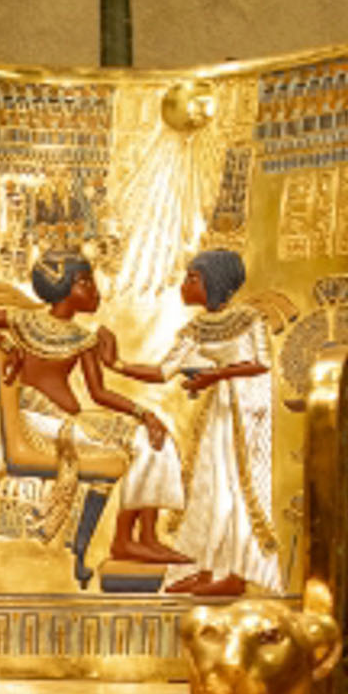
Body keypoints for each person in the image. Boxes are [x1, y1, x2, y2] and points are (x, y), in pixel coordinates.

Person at [0, 253, 190, 571]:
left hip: (67, 422)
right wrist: (6, 345)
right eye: (85, 281)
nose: (94, 289)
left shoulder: (82, 338)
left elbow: (99, 394)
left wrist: (143, 413)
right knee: (148, 443)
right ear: (62, 285)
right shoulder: (23, 320)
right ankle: (131, 539)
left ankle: (144, 537)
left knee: (153, 438)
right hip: (41, 424)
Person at [144, 247, 279, 599]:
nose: (184, 285)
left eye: (192, 278)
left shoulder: (249, 318)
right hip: (219, 410)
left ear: (214, 281)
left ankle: (235, 574)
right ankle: (205, 569)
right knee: (208, 487)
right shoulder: (198, 327)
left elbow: (263, 364)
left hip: (247, 414)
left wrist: (216, 376)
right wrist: (114, 364)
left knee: (233, 489)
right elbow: (163, 371)